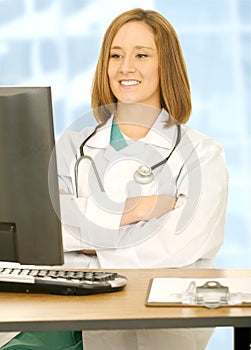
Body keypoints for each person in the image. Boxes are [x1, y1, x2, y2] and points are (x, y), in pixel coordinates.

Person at [0, 7, 229, 350]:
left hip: (157, 322)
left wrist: (87, 241)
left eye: (142, 55)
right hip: (64, 309)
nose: (126, 67)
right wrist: (134, 210)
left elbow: (176, 247)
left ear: (165, 65)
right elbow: (42, 230)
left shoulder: (203, 155)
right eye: (116, 55)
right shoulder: (73, 144)